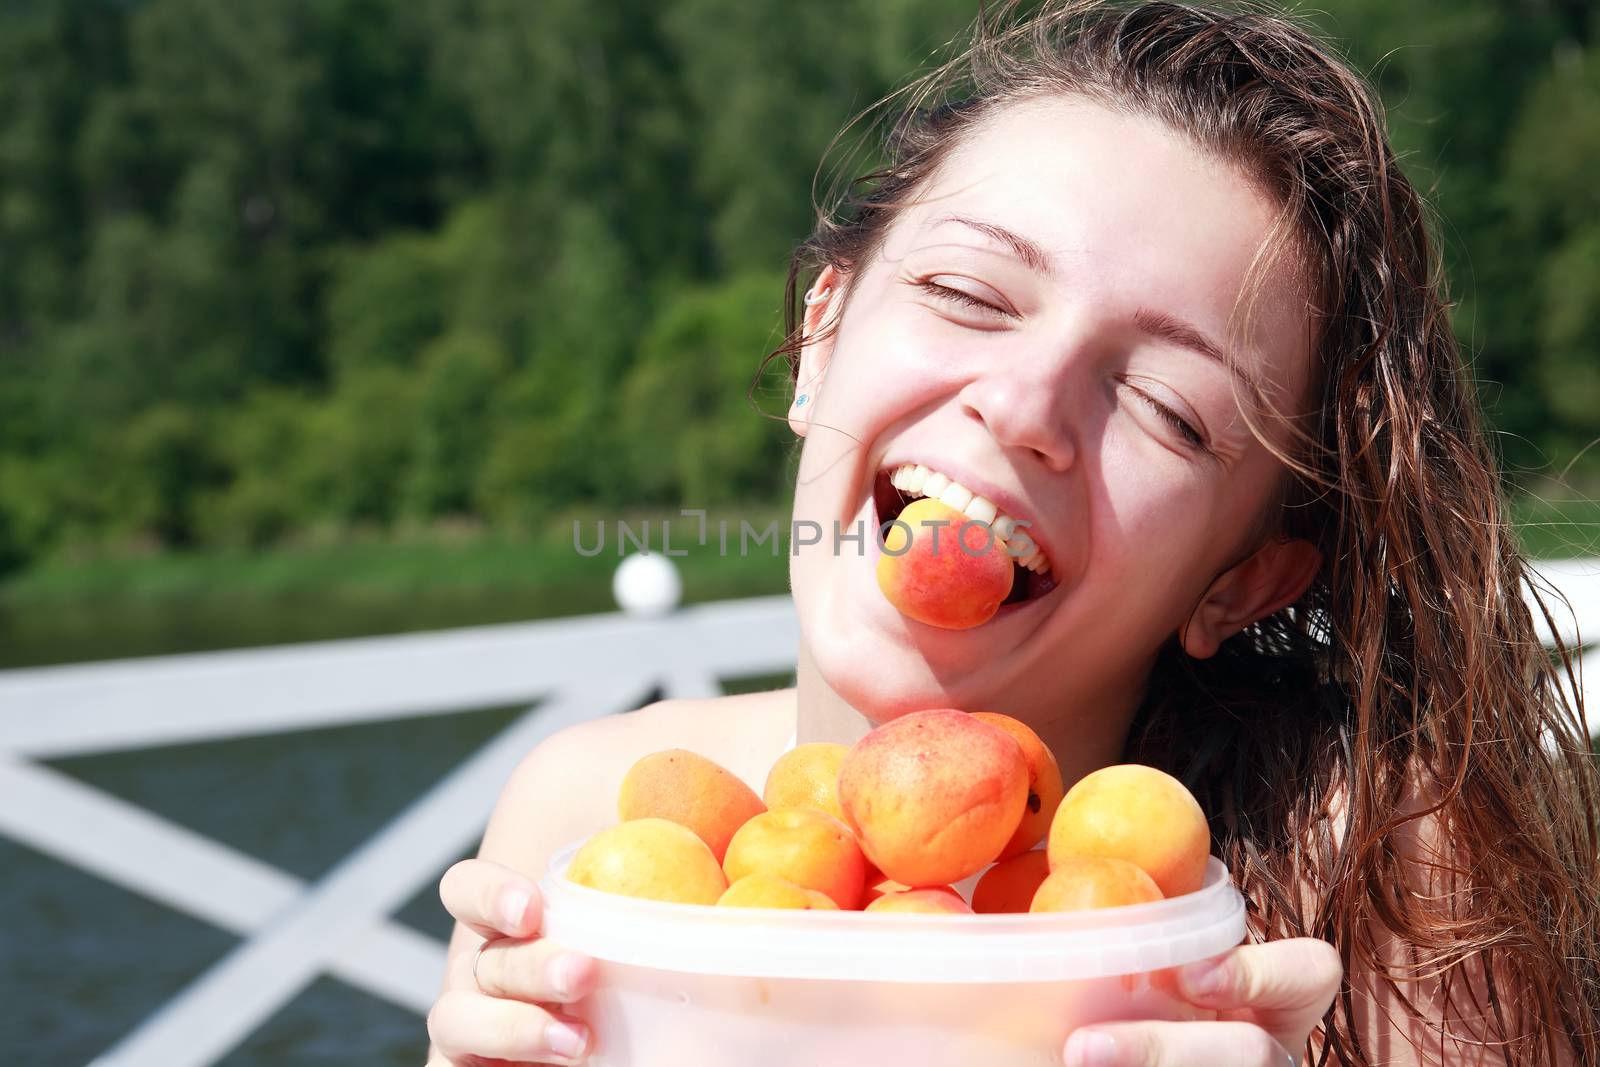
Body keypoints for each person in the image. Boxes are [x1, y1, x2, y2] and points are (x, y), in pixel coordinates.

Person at [423, 2, 1600, 1064]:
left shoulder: (1381, 894)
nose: (1026, 407)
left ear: (1240, 580)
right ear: (822, 335)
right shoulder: (590, 820)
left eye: (1166, 409)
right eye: (970, 295)